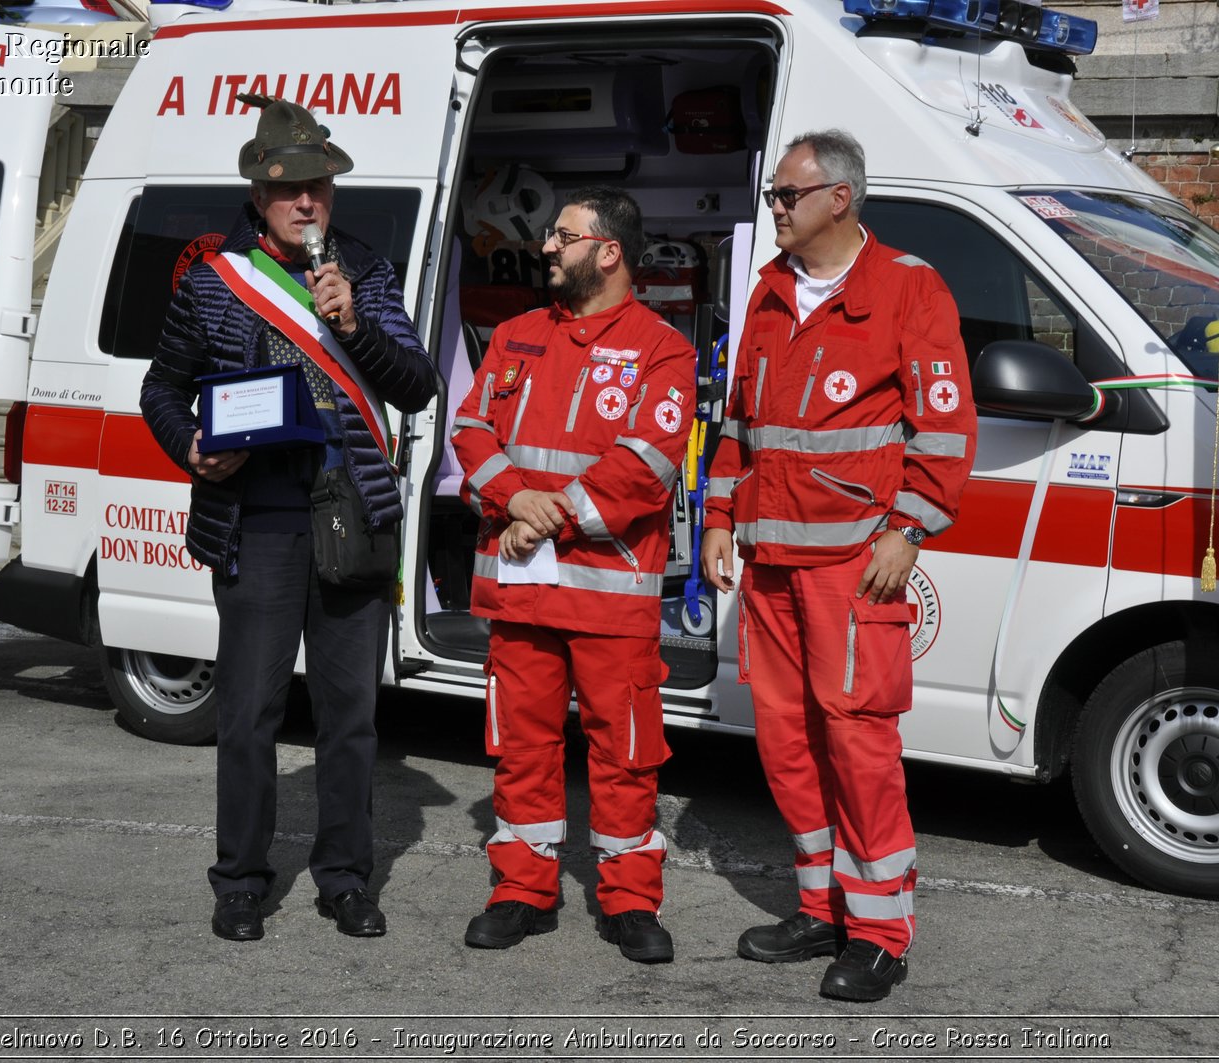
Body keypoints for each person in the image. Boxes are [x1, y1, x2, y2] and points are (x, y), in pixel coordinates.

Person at [140, 96, 434, 942]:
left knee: (350, 718)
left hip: (351, 519)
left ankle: (345, 877)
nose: (307, 201)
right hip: (255, 522)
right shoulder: (211, 281)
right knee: (248, 716)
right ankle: (240, 880)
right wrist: (190, 444)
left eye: (320, 186)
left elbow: (415, 384)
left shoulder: (367, 276)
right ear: (258, 195)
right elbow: (160, 389)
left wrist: (351, 324)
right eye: (289, 188)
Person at [701, 130, 976, 1001]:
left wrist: (911, 529)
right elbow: (740, 420)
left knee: (859, 747)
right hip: (773, 565)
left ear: (839, 199)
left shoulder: (909, 288)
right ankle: (821, 907)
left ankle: (881, 931)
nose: (774, 207)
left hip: (856, 567)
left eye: (787, 194)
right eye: (775, 194)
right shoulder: (771, 291)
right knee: (788, 747)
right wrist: (717, 514)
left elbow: (945, 429)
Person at [451, 186, 696, 964]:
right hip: (522, 587)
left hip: (606, 594)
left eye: (563, 236)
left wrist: (545, 510)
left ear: (609, 250)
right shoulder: (517, 335)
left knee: (625, 754)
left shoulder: (664, 348)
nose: (547, 247)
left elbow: (647, 466)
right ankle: (522, 887)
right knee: (520, 744)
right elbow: (469, 427)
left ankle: (629, 900)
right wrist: (514, 495)